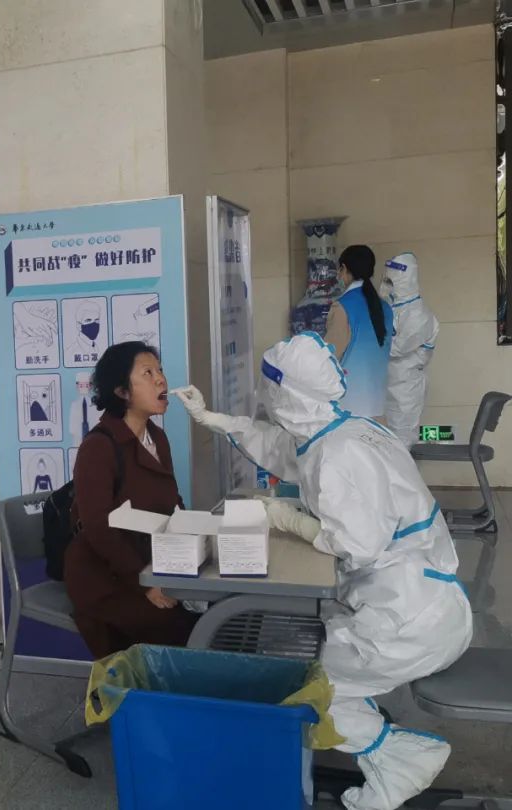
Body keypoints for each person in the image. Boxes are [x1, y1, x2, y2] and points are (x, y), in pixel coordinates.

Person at [173, 333, 472, 810]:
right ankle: (366, 741)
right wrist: (215, 419)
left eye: (269, 387)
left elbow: (359, 543)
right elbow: (287, 448)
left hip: (407, 623)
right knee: (301, 650)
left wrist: (289, 519)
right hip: (423, 601)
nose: (263, 395)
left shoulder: (338, 455)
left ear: (286, 393)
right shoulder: (346, 430)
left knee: (293, 676)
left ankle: (398, 758)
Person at [66, 342, 197, 659]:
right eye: (147, 373)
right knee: (180, 627)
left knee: (207, 613)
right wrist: (145, 584)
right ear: (122, 391)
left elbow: (173, 503)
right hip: (104, 576)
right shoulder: (99, 446)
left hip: (148, 564)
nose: (161, 379)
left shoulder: (157, 438)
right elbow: (98, 528)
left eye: (160, 371)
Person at [322, 245, 394, 419]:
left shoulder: (343, 306)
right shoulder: (385, 307)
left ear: (344, 268)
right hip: (378, 401)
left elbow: (330, 355)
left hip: (350, 404)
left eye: (339, 270)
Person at [382, 252, 439, 447]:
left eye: (391, 282)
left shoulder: (418, 314)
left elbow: (396, 348)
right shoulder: (394, 308)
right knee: (385, 443)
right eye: (386, 281)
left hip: (405, 390)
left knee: (401, 442)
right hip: (387, 385)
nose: (387, 286)